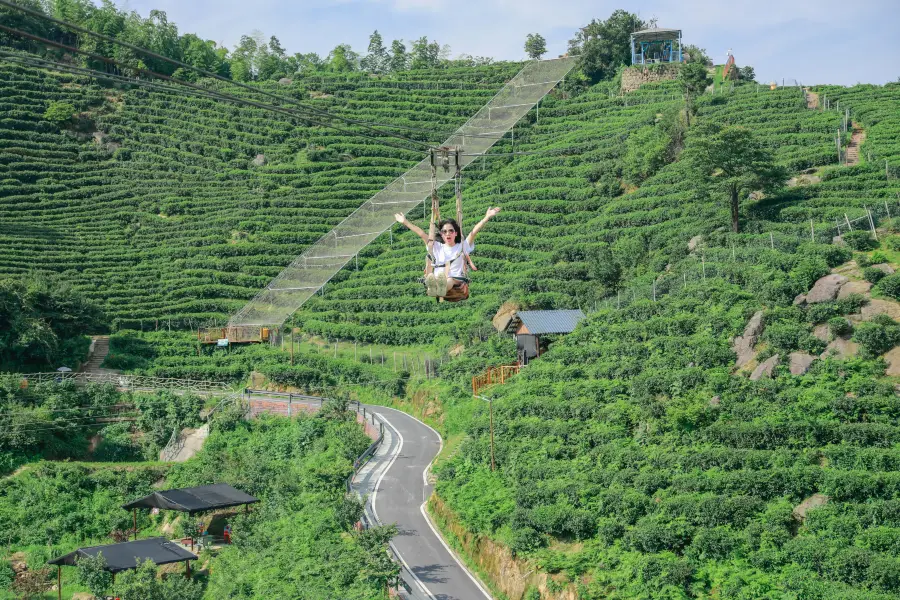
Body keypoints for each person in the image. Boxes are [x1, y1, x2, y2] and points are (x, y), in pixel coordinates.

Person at [394, 207, 501, 298]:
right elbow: (421, 233)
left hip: (455, 279)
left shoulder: (462, 245)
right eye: (444, 232)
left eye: (451, 231)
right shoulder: (436, 246)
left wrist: (487, 217)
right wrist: (405, 222)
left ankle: (439, 287)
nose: (448, 234)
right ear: (441, 234)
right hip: (438, 277)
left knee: (449, 280)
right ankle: (432, 286)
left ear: (456, 233)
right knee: (436, 279)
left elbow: (474, 231)